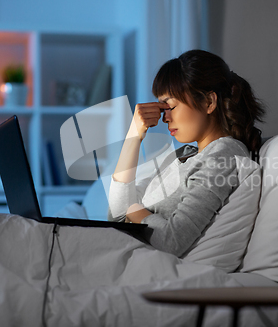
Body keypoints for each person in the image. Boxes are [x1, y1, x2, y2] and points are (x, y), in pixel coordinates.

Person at [108, 49, 265, 257]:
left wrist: (134, 212)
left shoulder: (223, 154)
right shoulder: (185, 154)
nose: (165, 118)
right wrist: (133, 138)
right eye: (162, 109)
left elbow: (171, 241)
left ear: (209, 102)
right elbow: (116, 214)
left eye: (170, 106)